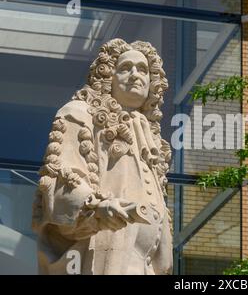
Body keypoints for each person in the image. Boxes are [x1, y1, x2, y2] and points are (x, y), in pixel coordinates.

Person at [32, 39, 172, 275]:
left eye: (143, 69)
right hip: (100, 259)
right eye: (126, 68)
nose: (135, 75)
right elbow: (61, 178)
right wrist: (95, 207)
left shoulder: (152, 138)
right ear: (108, 76)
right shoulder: (79, 113)